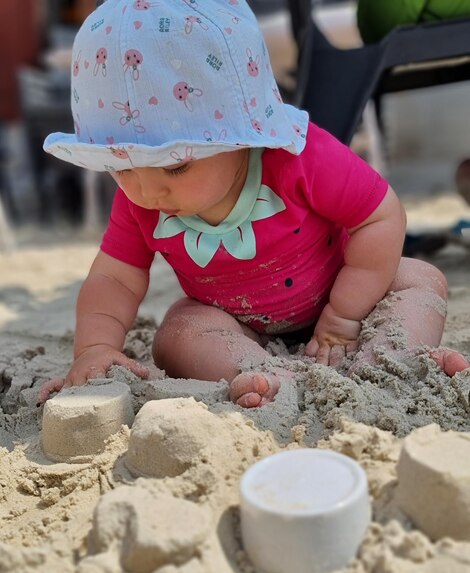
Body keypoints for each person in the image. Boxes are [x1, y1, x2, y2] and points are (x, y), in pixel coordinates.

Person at [39, 0, 469, 408]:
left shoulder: (300, 157)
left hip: (344, 290)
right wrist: (94, 348)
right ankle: (265, 374)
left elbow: (379, 216)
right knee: (177, 333)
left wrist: (344, 316)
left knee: (420, 280)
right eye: (123, 167)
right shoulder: (139, 199)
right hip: (236, 321)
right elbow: (115, 278)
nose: (147, 193)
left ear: (244, 135)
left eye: (175, 167)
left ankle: (392, 358)